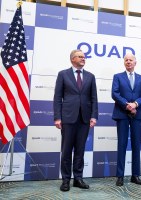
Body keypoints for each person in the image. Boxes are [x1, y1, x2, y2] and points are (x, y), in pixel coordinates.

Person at [53, 49, 98, 191]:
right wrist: (57, 117)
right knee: (66, 150)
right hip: (67, 118)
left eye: (84, 57)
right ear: (72, 59)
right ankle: (65, 180)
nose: (83, 59)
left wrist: (93, 116)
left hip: (84, 119)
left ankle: (78, 178)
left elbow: (94, 98)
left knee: (80, 150)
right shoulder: (63, 74)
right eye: (80, 57)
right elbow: (57, 97)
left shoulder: (91, 76)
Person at [111, 53, 141, 186]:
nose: (128, 62)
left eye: (130, 60)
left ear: (135, 62)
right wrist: (127, 105)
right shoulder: (117, 77)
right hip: (122, 114)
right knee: (121, 145)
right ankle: (120, 176)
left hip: (137, 114)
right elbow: (114, 93)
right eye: (126, 60)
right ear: (124, 63)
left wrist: (135, 104)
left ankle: (135, 175)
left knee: (136, 145)